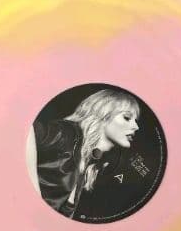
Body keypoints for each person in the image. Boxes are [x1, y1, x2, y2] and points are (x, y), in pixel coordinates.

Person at [26, 88, 140, 220]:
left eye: (135, 120)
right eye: (127, 118)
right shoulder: (67, 133)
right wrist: (33, 195)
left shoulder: (93, 164)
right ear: (103, 115)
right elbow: (27, 129)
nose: (136, 127)